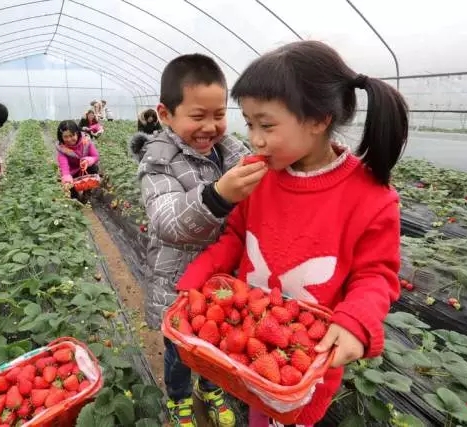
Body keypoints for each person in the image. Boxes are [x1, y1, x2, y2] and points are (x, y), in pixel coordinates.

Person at [175, 40, 409, 427]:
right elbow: (236, 235)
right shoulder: (259, 176)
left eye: (266, 125)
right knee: (257, 408)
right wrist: (199, 276)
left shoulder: (372, 198)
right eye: (249, 124)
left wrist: (355, 321)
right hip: (252, 336)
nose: (255, 138)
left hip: (305, 355)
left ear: (318, 120)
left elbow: (376, 274)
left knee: (289, 417)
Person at [131, 53, 267, 427]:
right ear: (165, 114)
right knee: (182, 350)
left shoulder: (234, 151)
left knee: (219, 344)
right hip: (178, 284)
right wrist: (217, 195)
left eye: (219, 114)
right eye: (197, 116)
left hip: (225, 281)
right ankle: (178, 398)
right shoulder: (157, 161)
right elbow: (167, 222)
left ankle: (212, 388)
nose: (211, 126)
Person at [56, 120, 100, 204]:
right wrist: (67, 179)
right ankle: (76, 200)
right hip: (72, 172)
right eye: (65, 137)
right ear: (61, 137)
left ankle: (87, 192)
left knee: (93, 167)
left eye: (72, 135)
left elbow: (96, 156)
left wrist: (87, 161)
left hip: (85, 168)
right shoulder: (62, 149)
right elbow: (64, 167)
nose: (69, 139)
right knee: (74, 197)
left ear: (77, 133)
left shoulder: (86, 141)